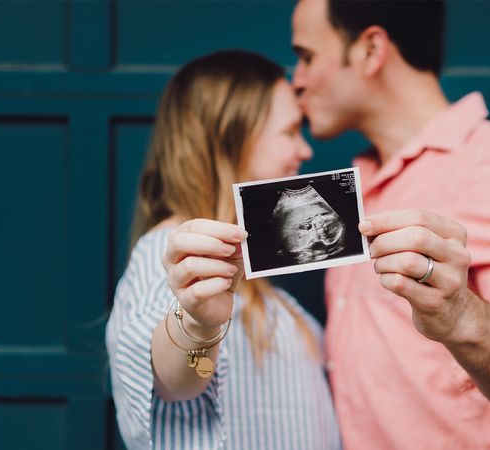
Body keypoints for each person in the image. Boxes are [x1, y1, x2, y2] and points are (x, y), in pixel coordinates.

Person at [291, 0, 490, 448]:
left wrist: (458, 315)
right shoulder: (357, 183)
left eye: (307, 56)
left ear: (371, 49)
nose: (296, 80)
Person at [105, 50, 341, 450]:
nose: (305, 151)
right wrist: (198, 324)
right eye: (289, 131)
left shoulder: (256, 279)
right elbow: (170, 380)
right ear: (230, 138)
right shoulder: (173, 254)